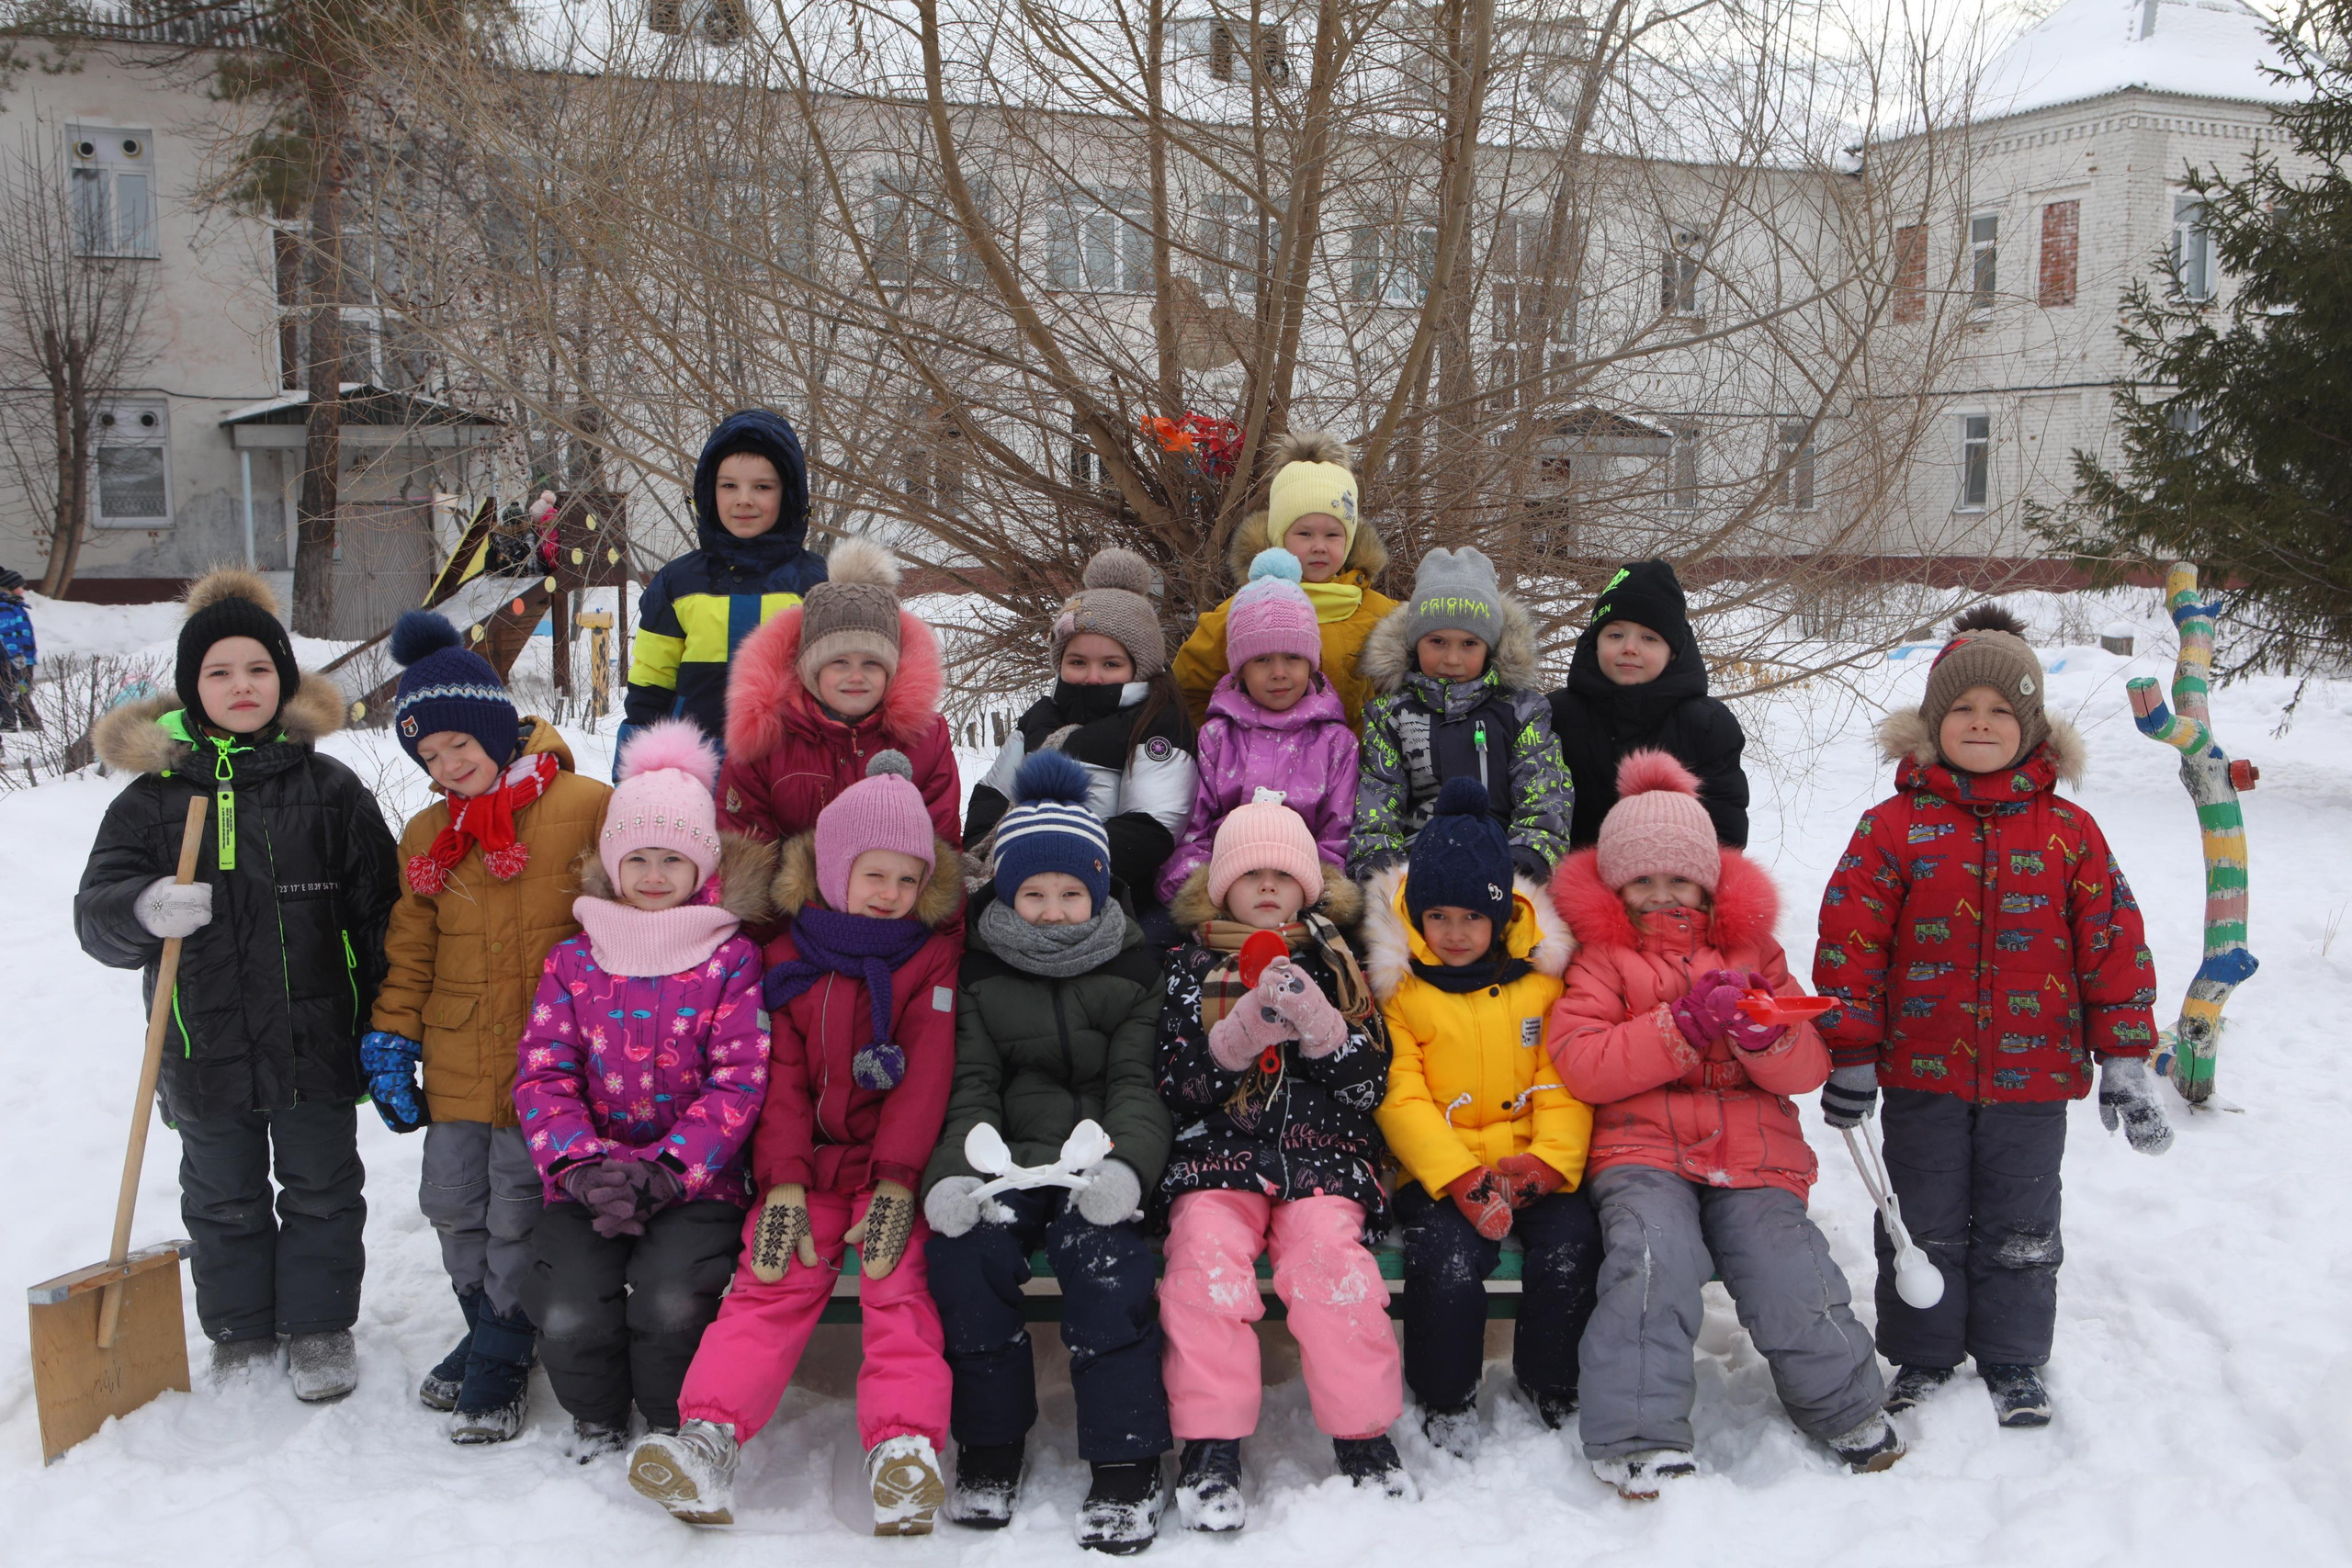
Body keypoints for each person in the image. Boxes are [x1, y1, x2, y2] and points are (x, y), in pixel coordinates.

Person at [1813, 604, 2169, 1430]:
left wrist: (2124, 1052)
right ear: (1935, 723)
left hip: (2032, 1075)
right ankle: (1924, 1352)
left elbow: (2113, 942)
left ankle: (2013, 1357)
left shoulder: (2071, 833)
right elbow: (1851, 942)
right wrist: (1851, 1050)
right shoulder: (1893, 828)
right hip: (1921, 1071)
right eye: (1964, 708)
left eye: (2002, 710)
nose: (1981, 722)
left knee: (2021, 1219)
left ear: (2032, 727)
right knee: (1920, 1216)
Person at [74, 569, 397, 1400]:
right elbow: (95, 916)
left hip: (314, 1037)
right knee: (222, 1197)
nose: (241, 685)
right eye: (219, 672)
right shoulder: (150, 803)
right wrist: (141, 906)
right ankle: (240, 1327)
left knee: (323, 1187)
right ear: (192, 687)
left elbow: (381, 913)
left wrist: (390, 1019)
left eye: (258, 668)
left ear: (283, 678)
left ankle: (320, 1324)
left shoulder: (330, 791)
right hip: (200, 1040)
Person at [1547, 751, 1900, 1498]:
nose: (1662, 894)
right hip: (1640, 1147)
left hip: (1753, 1149)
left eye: (1679, 878)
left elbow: (1806, 1066)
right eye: (1642, 880)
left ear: (1709, 881)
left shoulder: (1752, 950)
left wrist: (1763, 1034)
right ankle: (1638, 1434)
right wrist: (1677, 1026)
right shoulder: (1602, 957)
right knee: (1654, 1260)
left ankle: (1847, 1407)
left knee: (1787, 1263)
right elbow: (1582, 1061)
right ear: (1615, 885)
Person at [628, 753, 963, 1534]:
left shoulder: (928, 958)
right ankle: (709, 1436)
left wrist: (897, 1180)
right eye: (874, 874)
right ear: (836, 869)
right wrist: (781, 1179)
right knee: (769, 1279)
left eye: (907, 879)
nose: (890, 893)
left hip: (890, 1174)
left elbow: (927, 1075)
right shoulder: (784, 956)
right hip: (804, 1171)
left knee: (897, 1284)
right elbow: (774, 1076)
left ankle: (904, 1447)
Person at [365, 610, 614, 1443]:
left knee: (517, 1208)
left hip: (550, 1062)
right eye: (429, 756)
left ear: (494, 726)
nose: (448, 764)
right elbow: (411, 950)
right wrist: (392, 1037)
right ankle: (484, 1326)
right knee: (450, 1200)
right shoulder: (428, 834)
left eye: (458, 743)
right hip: (458, 1050)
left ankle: (503, 1354)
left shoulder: (587, 807)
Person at [922, 752, 1175, 1552]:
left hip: (1094, 1160)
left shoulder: (1133, 970)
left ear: (1099, 891)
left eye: (1071, 893)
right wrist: (958, 1175)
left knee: (1106, 1267)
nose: (1053, 911)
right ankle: (990, 1443)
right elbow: (971, 1085)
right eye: (1033, 893)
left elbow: (1136, 1084)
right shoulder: (981, 973)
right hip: (1007, 1159)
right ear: (1006, 892)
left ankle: (1126, 1458)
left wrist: (1124, 1169)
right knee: (967, 1259)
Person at [514, 720, 774, 1460]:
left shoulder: (730, 958)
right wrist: (580, 1165)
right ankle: (597, 1415)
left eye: (672, 858)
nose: (654, 874)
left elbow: (740, 1076)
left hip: (693, 1183)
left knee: (670, 1300)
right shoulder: (575, 959)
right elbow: (544, 1070)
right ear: (612, 863)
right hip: (586, 1178)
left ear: (702, 866)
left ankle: (668, 1420)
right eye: (638, 858)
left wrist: (667, 1169)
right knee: (568, 1304)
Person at [1157, 798, 1408, 1529]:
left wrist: (1327, 1031)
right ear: (1221, 886)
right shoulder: (1188, 967)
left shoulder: (1341, 962)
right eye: (1249, 873)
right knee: (1203, 1264)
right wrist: (1232, 1042)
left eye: (1283, 873)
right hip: (1215, 1162)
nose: (1267, 885)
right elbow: (1175, 1085)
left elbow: (1370, 1086)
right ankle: (1210, 1445)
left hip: (1323, 1162)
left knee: (1332, 1265)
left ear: (1309, 885)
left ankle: (1363, 1435)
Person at [1363, 778, 1599, 1458]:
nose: (1455, 932)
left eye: (1472, 916)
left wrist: (1549, 1163)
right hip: (1443, 1172)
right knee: (1446, 1261)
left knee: (1571, 1246)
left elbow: (1561, 1079)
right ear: (1416, 914)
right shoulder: (1402, 991)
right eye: (1438, 916)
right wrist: (1458, 1176)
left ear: (1501, 913)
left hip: (1531, 1161)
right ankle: (1446, 1394)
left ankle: (1552, 1377)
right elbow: (1401, 1096)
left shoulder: (1542, 983)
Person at [966, 548, 1195, 909]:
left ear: (1139, 667)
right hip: (1014, 880)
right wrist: (997, 858)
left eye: (1111, 664)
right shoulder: (1041, 717)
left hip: (1107, 891)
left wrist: (1062, 870)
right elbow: (993, 795)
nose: (1093, 677)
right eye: (1077, 662)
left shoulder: (1155, 721)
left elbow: (1151, 826)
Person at [717, 536, 958, 853]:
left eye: (871, 663)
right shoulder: (768, 737)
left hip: (895, 883)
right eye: (839, 662)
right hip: (791, 885)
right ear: (811, 670)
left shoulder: (925, 739)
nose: (856, 677)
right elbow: (746, 850)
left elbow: (939, 846)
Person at [1349, 546, 1574, 884]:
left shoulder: (1522, 712)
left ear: (1490, 646)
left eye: (1469, 644)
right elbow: (1377, 799)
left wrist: (1527, 859)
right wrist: (1381, 866)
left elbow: (1545, 793)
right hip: (1416, 870)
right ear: (1414, 642)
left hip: (1504, 867)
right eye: (1437, 641)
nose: (1452, 659)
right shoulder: (1389, 716)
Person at [619, 408, 829, 762]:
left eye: (762, 487)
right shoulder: (677, 583)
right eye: (729, 485)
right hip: (693, 769)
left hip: (792, 768)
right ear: (709, 492)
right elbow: (650, 687)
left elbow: (842, 682)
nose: (744, 499)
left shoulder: (818, 584)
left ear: (788, 494)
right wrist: (637, 773)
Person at [1159, 548, 1357, 905]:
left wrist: (1318, 896)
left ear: (1311, 664)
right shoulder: (1216, 738)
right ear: (1240, 669)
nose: (1279, 672)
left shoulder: (1335, 742)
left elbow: (1338, 835)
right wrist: (1202, 895)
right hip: (1223, 895)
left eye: (1293, 657)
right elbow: (1191, 827)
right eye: (1262, 659)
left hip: (1302, 897)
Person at [1171, 429, 1399, 730]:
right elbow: (1188, 687)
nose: (1319, 546)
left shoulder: (1381, 614)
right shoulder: (1245, 611)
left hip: (1357, 757)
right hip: (1263, 759)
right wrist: (1219, 743)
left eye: (1333, 535)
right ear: (1280, 537)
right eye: (1304, 533)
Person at [1546, 559, 1748, 849]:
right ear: (1595, 643)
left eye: (1649, 637)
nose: (1629, 647)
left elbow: (1724, 832)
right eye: (1615, 635)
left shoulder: (1707, 725)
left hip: (1669, 874)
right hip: (1568, 873)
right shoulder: (1554, 716)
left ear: (1673, 652)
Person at [0, 566, 37, 730]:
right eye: (19, 587)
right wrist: (15, 655)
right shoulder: (4, 607)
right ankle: (9, 721)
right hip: (13, 658)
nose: (23, 590)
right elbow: (5, 634)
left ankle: (30, 721)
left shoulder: (15, 606)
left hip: (25, 658)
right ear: (8, 588)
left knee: (23, 689)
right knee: (10, 689)